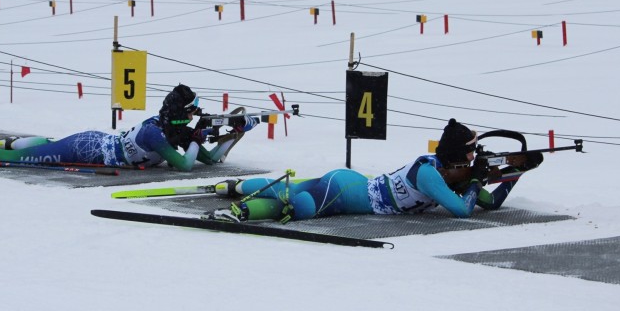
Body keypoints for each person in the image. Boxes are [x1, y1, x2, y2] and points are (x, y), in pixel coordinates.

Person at [211, 118, 519, 222]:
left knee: (291, 189)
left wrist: (514, 175)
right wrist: (476, 178)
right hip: (346, 192)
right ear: (457, 153)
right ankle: (243, 210)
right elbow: (463, 210)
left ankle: (234, 186)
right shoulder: (430, 174)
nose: (474, 155)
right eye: (471, 150)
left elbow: (487, 202)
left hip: (352, 183)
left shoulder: (444, 167)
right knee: (300, 206)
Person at [0, 84, 259, 171]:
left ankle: (15, 141)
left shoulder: (174, 130)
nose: (195, 116)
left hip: (99, 142)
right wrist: (197, 137)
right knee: (22, 160)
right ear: (182, 113)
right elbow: (185, 165)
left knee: (45, 146)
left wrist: (235, 133)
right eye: (192, 111)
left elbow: (209, 160)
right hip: (88, 149)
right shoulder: (156, 134)